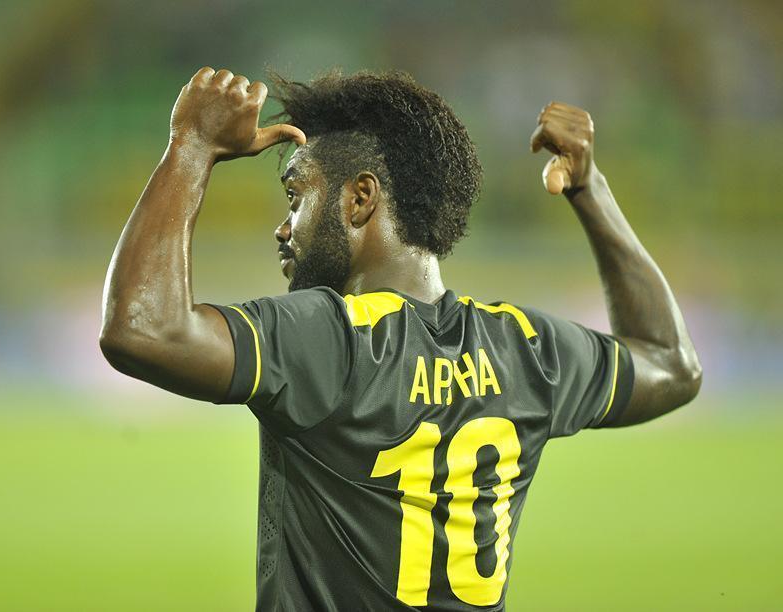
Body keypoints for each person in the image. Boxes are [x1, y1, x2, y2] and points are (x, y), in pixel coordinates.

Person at [99, 66, 702, 611]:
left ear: (360, 199)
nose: (283, 228)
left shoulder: (332, 338)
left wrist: (192, 145)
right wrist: (590, 188)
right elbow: (672, 364)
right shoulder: (525, 350)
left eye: (295, 196)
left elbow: (142, 328)